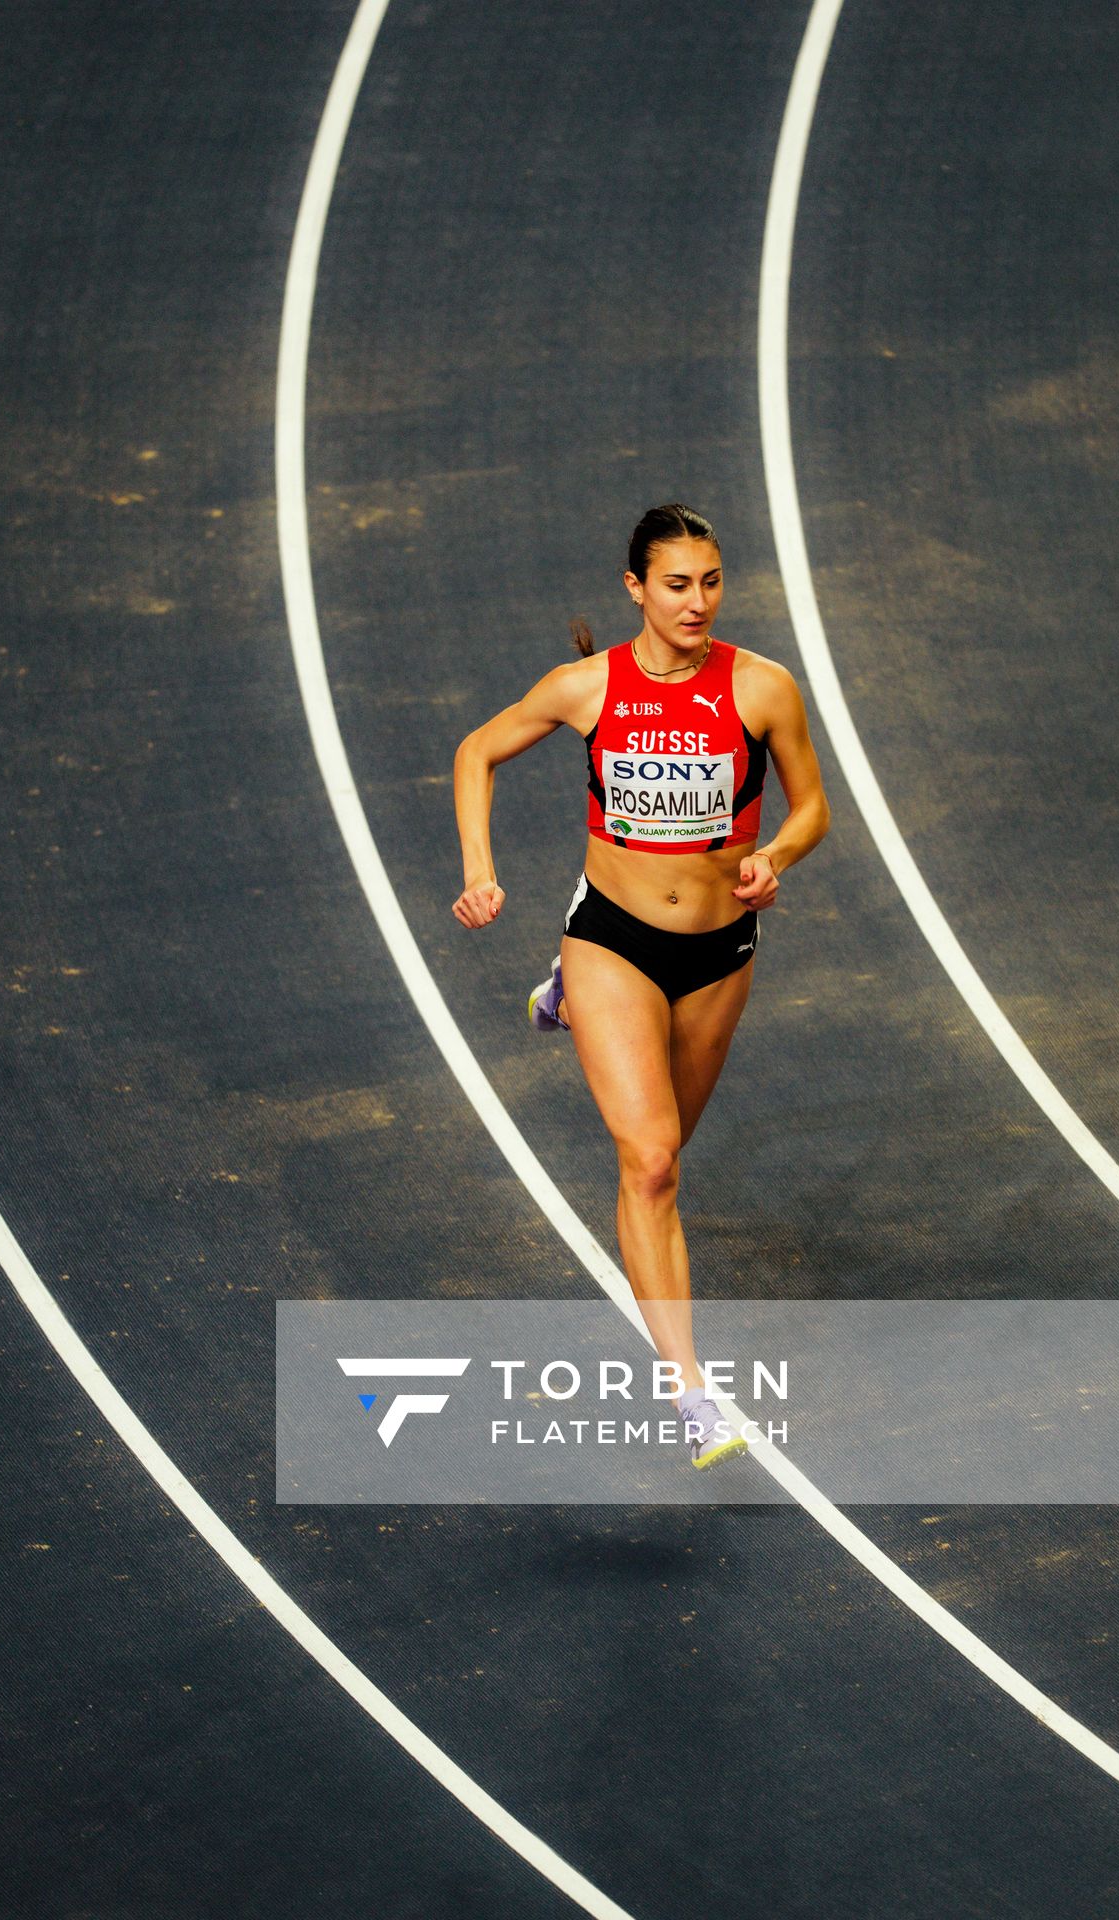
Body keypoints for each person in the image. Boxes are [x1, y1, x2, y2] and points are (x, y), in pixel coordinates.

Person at [452, 504, 830, 1469]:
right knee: (651, 1161)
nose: (696, 602)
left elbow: (812, 805)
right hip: (612, 938)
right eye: (676, 584)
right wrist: (480, 872)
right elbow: (477, 752)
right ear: (636, 589)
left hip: (720, 950)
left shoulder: (762, 688)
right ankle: (691, 1390)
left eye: (709, 582)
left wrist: (776, 855)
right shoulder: (588, 688)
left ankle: (562, 994)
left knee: (673, 1143)